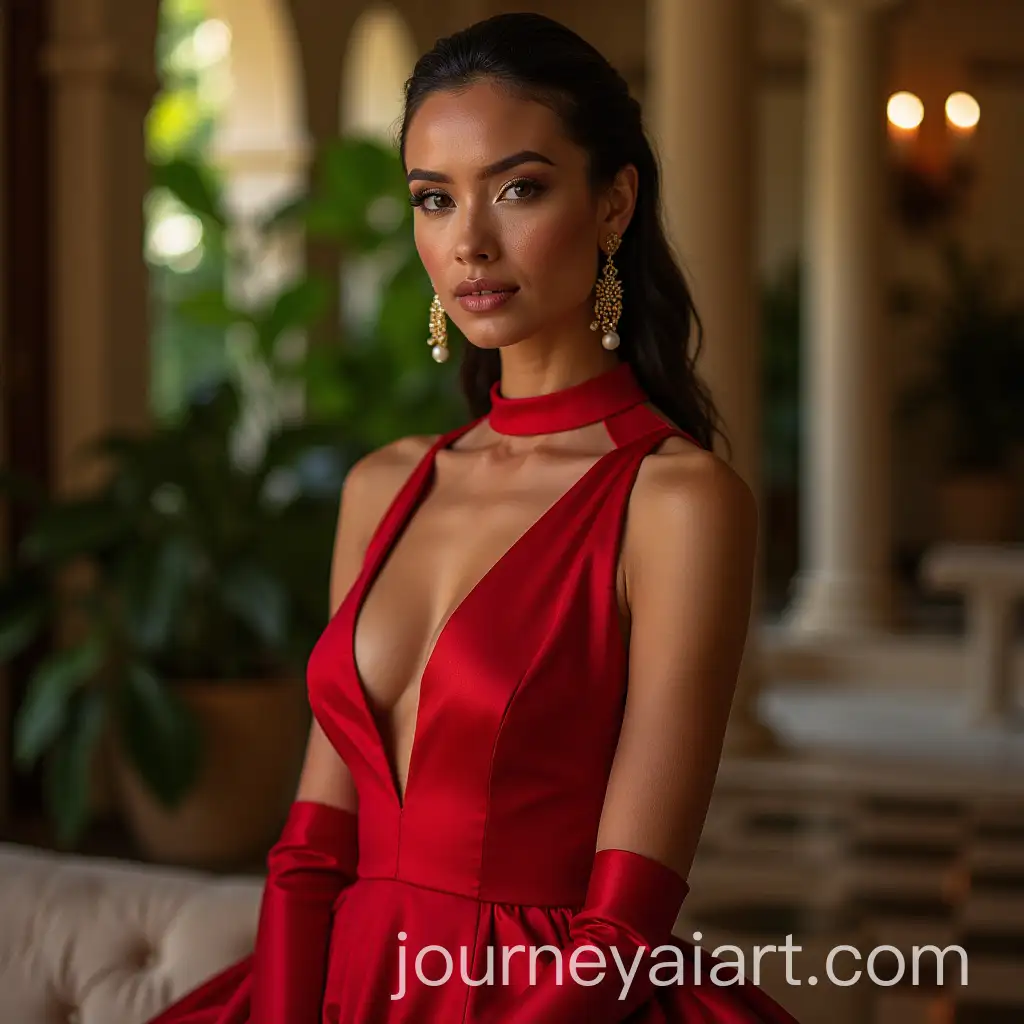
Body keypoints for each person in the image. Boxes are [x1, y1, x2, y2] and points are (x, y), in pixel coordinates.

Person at [148, 12, 800, 1024]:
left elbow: (627, 920)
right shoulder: (382, 484)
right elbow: (313, 846)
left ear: (613, 201)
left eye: (518, 187)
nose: (469, 242)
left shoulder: (678, 503)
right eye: (434, 199)